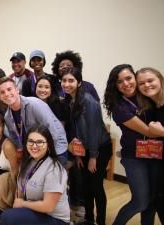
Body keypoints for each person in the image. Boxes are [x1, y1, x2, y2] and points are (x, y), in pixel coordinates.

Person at [103, 64, 161, 225]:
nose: (126, 84)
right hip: (134, 157)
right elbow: (150, 132)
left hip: (157, 154)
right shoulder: (119, 107)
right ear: (115, 86)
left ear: (135, 77)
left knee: (151, 202)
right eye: (120, 81)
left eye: (128, 78)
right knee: (140, 201)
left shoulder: (148, 94)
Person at [61, 68, 112, 225]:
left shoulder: (89, 101)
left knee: (96, 187)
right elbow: (76, 131)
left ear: (79, 82)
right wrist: (77, 154)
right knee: (86, 186)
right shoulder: (70, 100)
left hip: (99, 148)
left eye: (71, 81)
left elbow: (94, 131)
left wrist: (93, 157)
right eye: (64, 81)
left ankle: (100, 221)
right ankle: (89, 219)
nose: (67, 84)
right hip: (84, 149)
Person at [0, 125, 70, 225]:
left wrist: (22, 204)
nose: (34, 146)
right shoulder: (28, 162)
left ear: (48, 144)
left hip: (54, 219)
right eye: (31, 141)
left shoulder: (54, 169)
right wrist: (17, 203)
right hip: (34, 212)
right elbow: (19, 191)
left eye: (40, 142)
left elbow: (48, 206)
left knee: (8, 218)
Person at [0, 76, 68, 166]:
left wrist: (44, 157)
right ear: (0, 97)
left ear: (17, 90)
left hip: (55, 149)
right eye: (2, 92)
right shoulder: (7, 116)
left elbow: (53, 132)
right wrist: (22, 148)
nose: (6, 94)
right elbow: (14, 136)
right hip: (35, 150)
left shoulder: (35, 105)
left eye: (9, 89)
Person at [136, 67, 164, 225]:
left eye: (150, 80)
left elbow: (161, 130)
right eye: (141, 83)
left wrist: (161, 131)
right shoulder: (153, 102)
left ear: (161, 79)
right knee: (160, 205)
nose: (146, 85)